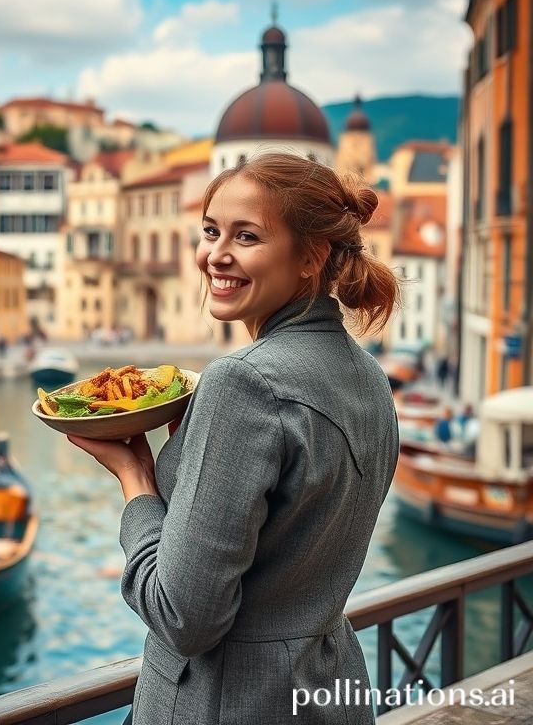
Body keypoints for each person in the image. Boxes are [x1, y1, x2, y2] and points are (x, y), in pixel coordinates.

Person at [67, 153, 402, 724]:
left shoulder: (241, 381)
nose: (215, 255)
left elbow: (184, 619)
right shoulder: (368, 377)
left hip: (228, 705)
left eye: (246, 236)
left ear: (311, 257)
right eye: (210, 231)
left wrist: (137, 481)